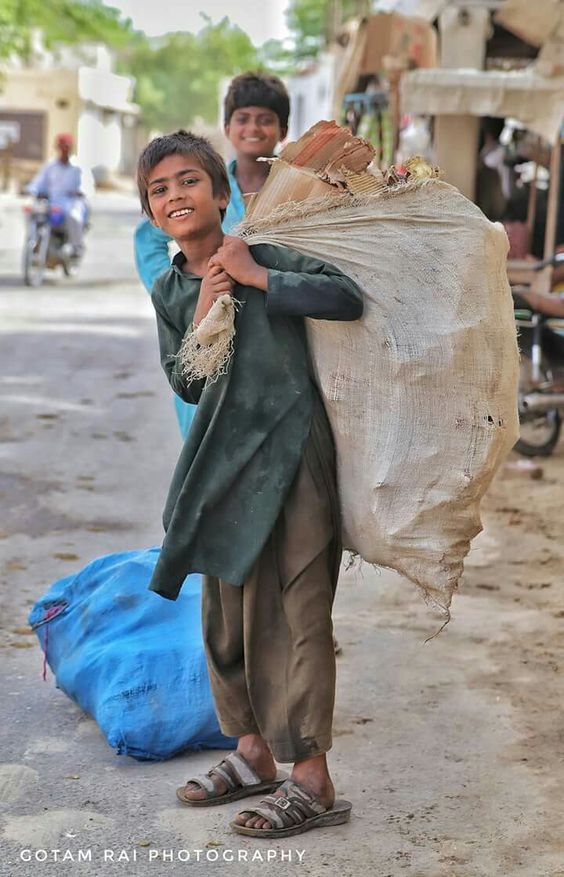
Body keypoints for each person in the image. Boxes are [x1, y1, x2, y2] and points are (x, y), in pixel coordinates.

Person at [137, 130, 363, 837]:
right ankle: (252, 755)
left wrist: (258, 277)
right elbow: (184, 374)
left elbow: (346, 297)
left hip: (293, 454)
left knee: (298, 613)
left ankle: (312, 779)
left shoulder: (262, 253)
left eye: (187, 181)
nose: (176, 195)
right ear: (150, 211)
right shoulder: (171, 286)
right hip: (219, 466)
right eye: (159, 189)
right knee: (225, 615)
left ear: (220, 191)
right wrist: (206, 304)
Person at [134, 72, 290, 439]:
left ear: (283, 130)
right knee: (205, 436)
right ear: (227, 126)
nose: (253, 128)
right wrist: (186, 289)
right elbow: (148, 240)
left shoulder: (296, 188)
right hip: (206, 326)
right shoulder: (205, 183)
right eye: (243, 119)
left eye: (266, 119)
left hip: (272, 327)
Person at [27, 133, 90, 257]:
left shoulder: (77, 167)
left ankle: (77, 247)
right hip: (52, 203)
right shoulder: (50, 166)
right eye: (61, 146)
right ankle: (34, 241)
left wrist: (80, 192)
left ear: (71, 148)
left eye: (66, 146)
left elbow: (86, 185)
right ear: (57, 148)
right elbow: (38, 182)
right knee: (31, 212)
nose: (64, 149)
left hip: (71, 204)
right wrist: (31, 190)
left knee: (74, 217)